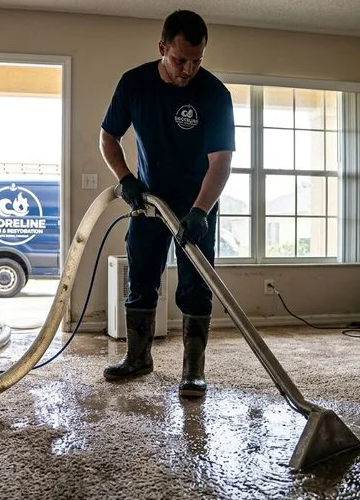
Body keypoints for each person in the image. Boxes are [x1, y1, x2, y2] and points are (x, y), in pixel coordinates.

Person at [98, 9, 235, 398]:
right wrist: (125, 179)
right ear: (162, 48)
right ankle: (138, 357)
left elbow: (221, 162)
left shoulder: (213, 94)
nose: (188, 69)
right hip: (149, 201)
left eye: (197, 60)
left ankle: (193, 370)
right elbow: (108, 137)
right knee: (141, 277)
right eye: (180, 59)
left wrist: (201, 211)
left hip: (198, 203)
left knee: (196, 285)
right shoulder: (135, 84)